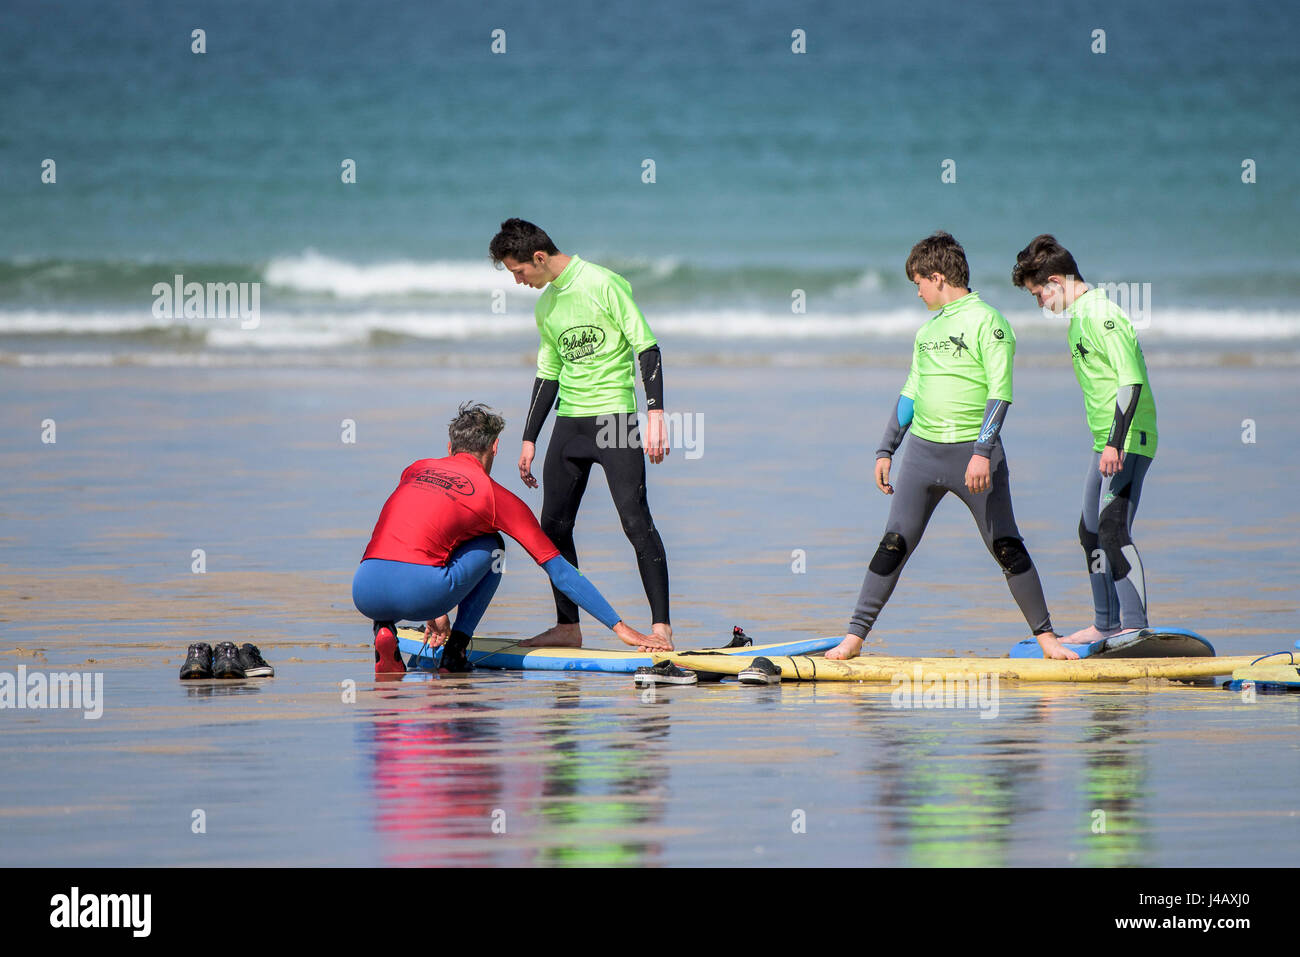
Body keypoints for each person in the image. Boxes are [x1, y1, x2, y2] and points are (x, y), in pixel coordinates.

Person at [828, 232, 1071, 660]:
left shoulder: (989, 322)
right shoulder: (927, 332)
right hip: (922, 454)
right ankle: (854, 637)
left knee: (1005, 545)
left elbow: (1000, 392)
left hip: (973, 456)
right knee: (894, 543)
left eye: (919, 282)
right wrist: (886, 450)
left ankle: (1047, 637)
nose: (918, 292)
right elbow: (910, 394)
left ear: (938, 277)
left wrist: (981, 450)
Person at [352, 402, 667, 675]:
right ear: (495, 448)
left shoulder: (415, 469)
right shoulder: (493, 495)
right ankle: (456, 651)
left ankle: (383, 628)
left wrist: (436, 613)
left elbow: (413, 537)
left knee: (436, 538)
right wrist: (620, 628)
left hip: (365, 588)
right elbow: (558, 570)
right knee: (492, 546)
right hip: (423, 591)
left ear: (449, 448)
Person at [489, 218, 672, 649]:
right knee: (551, 528)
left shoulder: (604, 284)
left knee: (634, 521)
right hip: (570, 424)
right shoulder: (546, 307)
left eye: (519, 272)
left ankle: (661, 628)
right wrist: (530, 437)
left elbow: (646, 345)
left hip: (613, 417)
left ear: (538, 257)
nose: (518, 281)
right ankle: (568, 627)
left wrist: (656, 412)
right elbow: (548, 374)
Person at [1012, 235, 1158, 644]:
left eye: (1040, 293)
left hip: (1128, 438)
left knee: (1113, 531)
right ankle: (1106, 622)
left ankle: (1135, 625)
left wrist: (1115, 442)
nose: (1040, 303)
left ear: (1057, 281)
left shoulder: (1101, 314)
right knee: (1089, 531)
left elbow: (1130, 382)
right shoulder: (1079, 317)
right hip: (1105, 442)